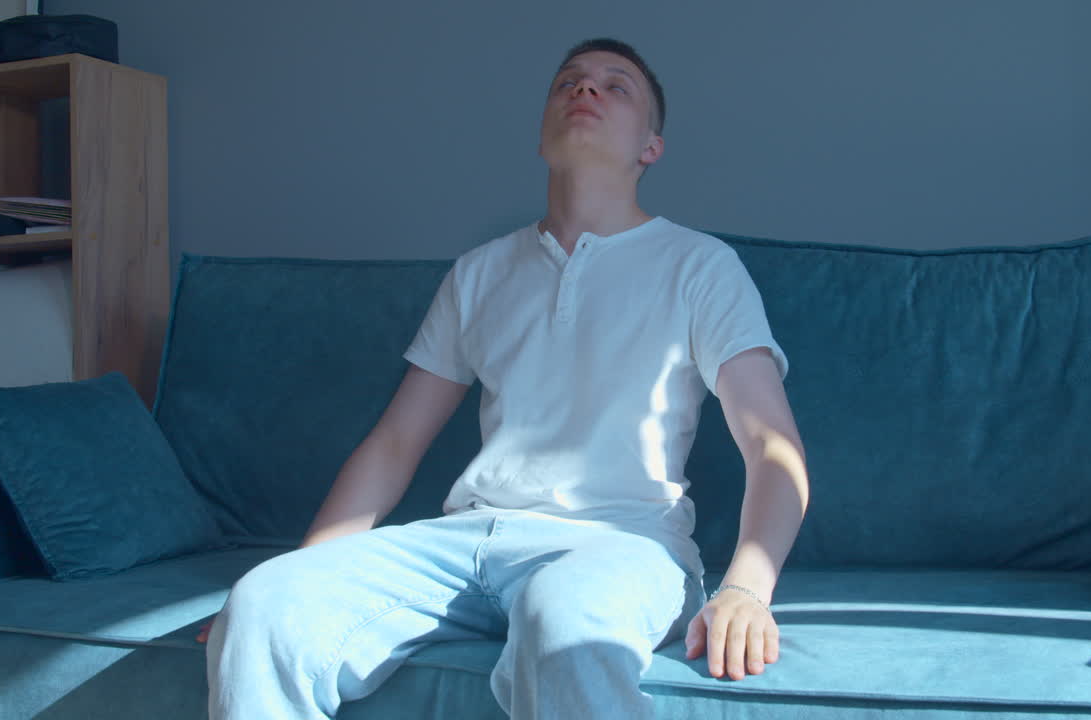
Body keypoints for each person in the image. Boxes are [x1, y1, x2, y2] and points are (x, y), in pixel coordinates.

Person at [204, 37, 809, 720]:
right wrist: (304, 570)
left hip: (622, 544)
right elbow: (396, 442)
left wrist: (747, 589)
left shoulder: (700, 266)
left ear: (650, 147)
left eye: (616, 87)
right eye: (569, 83)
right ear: (542, 133)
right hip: (464, 540)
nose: (586, 91)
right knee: (264, 602)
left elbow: (773, 448)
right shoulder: (479, 273)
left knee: (565, 618)